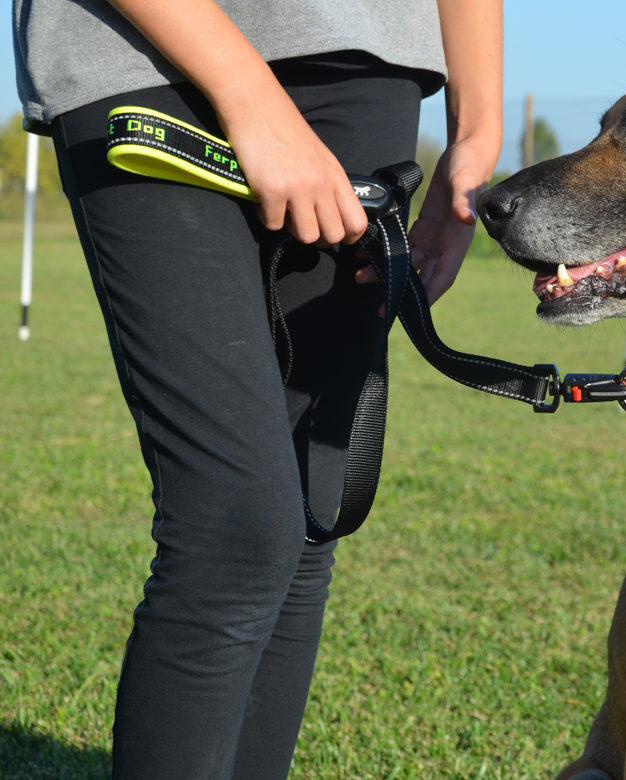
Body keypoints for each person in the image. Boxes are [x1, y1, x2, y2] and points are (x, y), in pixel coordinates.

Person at [13, 0, 502, 777]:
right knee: (237, 524)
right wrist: (249, 94)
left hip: (361, 57)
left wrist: (476, 135)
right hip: (137, 54)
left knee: (309, 519)